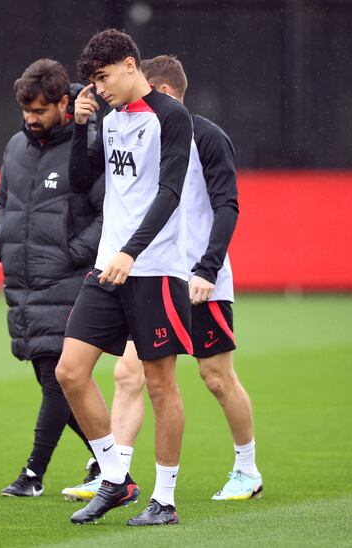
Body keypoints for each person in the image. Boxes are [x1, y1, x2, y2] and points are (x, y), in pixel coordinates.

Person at [61, 55, 262, 503]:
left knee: (215, 376)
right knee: (128, 374)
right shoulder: (128, 127)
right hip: (147, 272)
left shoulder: (206, 136)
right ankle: (116, 475)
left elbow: (227, 206)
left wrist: (208, 268)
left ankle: (247, 468)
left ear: (164, 92)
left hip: (199, 275)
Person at [56, 30, 193, 526]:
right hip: (108, 268)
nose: (99, 88)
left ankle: (165, 499)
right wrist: (79, 128)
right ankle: (116, 480)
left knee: (160, 386)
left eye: (103, 77)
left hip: (154, 269)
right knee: (70, 371)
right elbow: (80, 182)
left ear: (131, 65)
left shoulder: (171, 117)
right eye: (92, 80)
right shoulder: (112, 118)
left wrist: (132, 252)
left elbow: (171, 192)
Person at [0, 59, 105, 497]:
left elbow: (107, 210)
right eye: (26, 111)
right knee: (50, 378)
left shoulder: (86, 144)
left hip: (67, 279)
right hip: (22, 277)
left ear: (63, 103)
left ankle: (33, 474)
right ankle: (106, 458)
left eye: (39, 111)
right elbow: (4, 199)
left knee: (60, 376)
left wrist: (74, 253)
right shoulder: (15, 147)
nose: (30, 120)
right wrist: (1, 238)